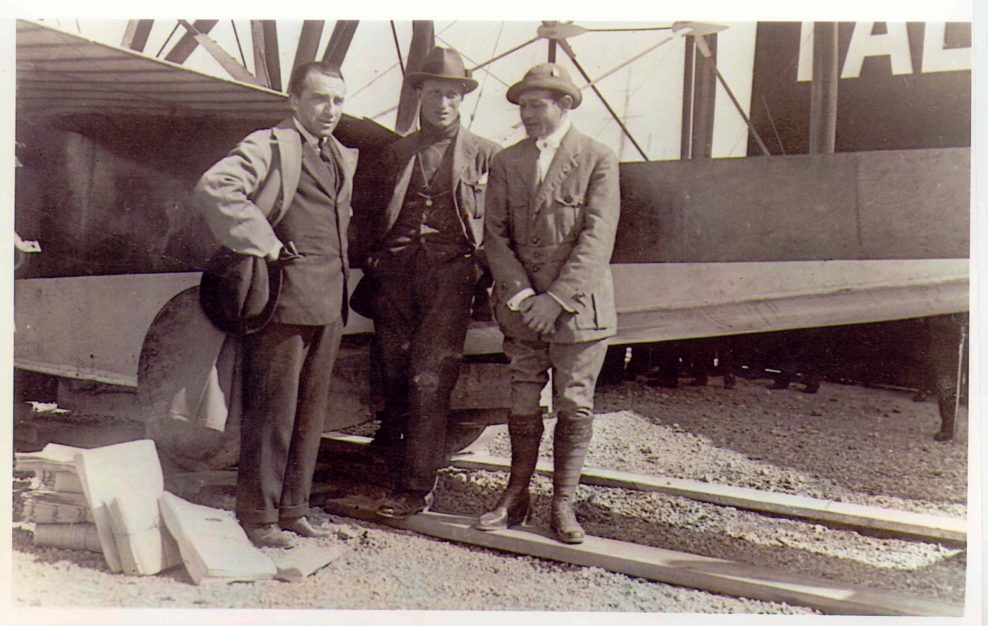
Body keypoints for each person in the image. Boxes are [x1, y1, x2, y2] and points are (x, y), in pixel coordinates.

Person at [193, 61, 357, 548]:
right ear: (295, 101)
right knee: (272, 412)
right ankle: (258, 517)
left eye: (338, 100)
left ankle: (294, 509)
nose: (330, 110)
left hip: (329, 302)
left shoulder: (340, 155)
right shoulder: (271, 145)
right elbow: (214, 188)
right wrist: (262, 242)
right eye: (320, 99)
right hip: (283, 302)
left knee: (310, 413)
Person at [477, 63, 620, 544]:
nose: (527, 114)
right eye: (521, 105)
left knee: (574, 406)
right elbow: (493, 236)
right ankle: (516, 496)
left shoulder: (598, 158)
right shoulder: (507, 161)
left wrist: (555, 300)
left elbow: (597, 241)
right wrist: (522, 296)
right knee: (521, 401)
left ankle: (563, 504)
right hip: (522, 312)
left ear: (566, 105)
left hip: (577, 313)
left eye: (537, 105)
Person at [355, 47, 499, 519]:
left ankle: (416, 489)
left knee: (430, 377)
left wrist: (482, 273)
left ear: (462, 100)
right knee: (395, 374)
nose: (443, 103)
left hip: (450, 278)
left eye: (452, 95)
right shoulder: (395, 153)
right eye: (435, 92)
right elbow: (368, 213)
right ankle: (392, 468)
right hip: (394, 276)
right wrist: (375, 260)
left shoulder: (485, 154)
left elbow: (500, 223)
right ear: (419, 94)